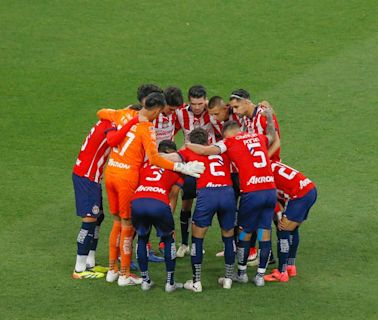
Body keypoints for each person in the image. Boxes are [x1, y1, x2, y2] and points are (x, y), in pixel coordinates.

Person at [98, 92, 205, 286]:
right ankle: (124, 274)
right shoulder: (147, 127)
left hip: (111, 172)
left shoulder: (125, 114)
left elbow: (101, 113)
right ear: (155, 111)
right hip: (127, 177)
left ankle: (112, 269)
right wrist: (181, 167)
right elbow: (155, 159)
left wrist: (125, 123)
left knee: (115, 222)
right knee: (127, 224)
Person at [186, 110, 277, 287]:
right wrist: (270, 118)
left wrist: (187, 145)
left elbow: (205, 150)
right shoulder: (257, 137)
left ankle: (240, 273)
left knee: (244, 232)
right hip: (270, 190)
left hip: (251, 192)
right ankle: (258, 277)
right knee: (264, 231)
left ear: (226, 133)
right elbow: (271, 136)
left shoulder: (229, 142)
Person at [71, 117, 139, 279]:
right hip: (87, 177)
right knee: (89, 220)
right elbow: (113, 140)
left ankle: (90, 263)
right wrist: (133, 122)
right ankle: (79, 270)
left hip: (90, 176)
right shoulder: (112, 126)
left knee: (98, 217)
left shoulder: (107, 121)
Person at [179, 128, 236, 292]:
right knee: (228, 236)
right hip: (227, 192)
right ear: (207, 141)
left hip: (207, 194)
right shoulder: (220, 152)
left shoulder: (189, 152)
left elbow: (175, 158)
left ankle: (196, 282)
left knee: (197, 239)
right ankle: (228, 279)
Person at [229, 89, 281, 264]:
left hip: (268, 169)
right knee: (264, 212)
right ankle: (267, 254)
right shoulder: (246, 118)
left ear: (246, 102)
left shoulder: (264, 115)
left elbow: (277, 141)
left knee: (272, 212)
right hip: (258, 170)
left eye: (236, 107)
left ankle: (276, 251)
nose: (234, 111)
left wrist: (262, 163)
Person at [131, 140, 184, 292]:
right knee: (168, 240)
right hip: (159, 203)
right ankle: (170, 283)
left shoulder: (145, 165)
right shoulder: (174, 169)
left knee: (142, 238)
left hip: (138, 201)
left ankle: (145, 281)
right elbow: (176, 192)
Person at [175, 85, 216, 257]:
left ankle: (198, 244)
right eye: (194, 104)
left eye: (200, 103)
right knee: (186, 203)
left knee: (205, 205)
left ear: (205, 100)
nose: (197, 107)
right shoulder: (180, 112)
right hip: (190, 164)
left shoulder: (213, 111)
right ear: (189, 101)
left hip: (210, 163)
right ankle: (184, 243)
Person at [264, 161, 317, 282]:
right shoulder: (270, 163)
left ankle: (281, 272)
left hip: (299, 196)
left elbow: (271, 197)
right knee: (293, 229)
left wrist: (278, 216)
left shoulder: (262, 175)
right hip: (310, 190)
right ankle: (290, 266)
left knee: (283, 229)